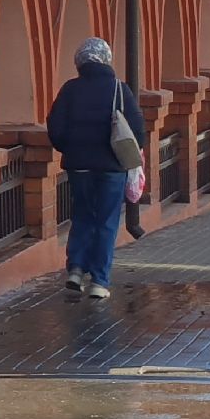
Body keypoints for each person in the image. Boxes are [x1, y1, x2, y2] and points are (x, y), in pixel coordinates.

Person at [45, 37, 147, 300]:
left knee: (82, 217)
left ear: (80, 62)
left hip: (79, 167)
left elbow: (55, 127)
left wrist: (70, 148)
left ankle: (76, 270)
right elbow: (137, 131)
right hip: (112, 167)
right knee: (106, 222)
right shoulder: (119, 89)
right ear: (106, 60)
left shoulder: (70, 89)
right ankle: (100, 281)